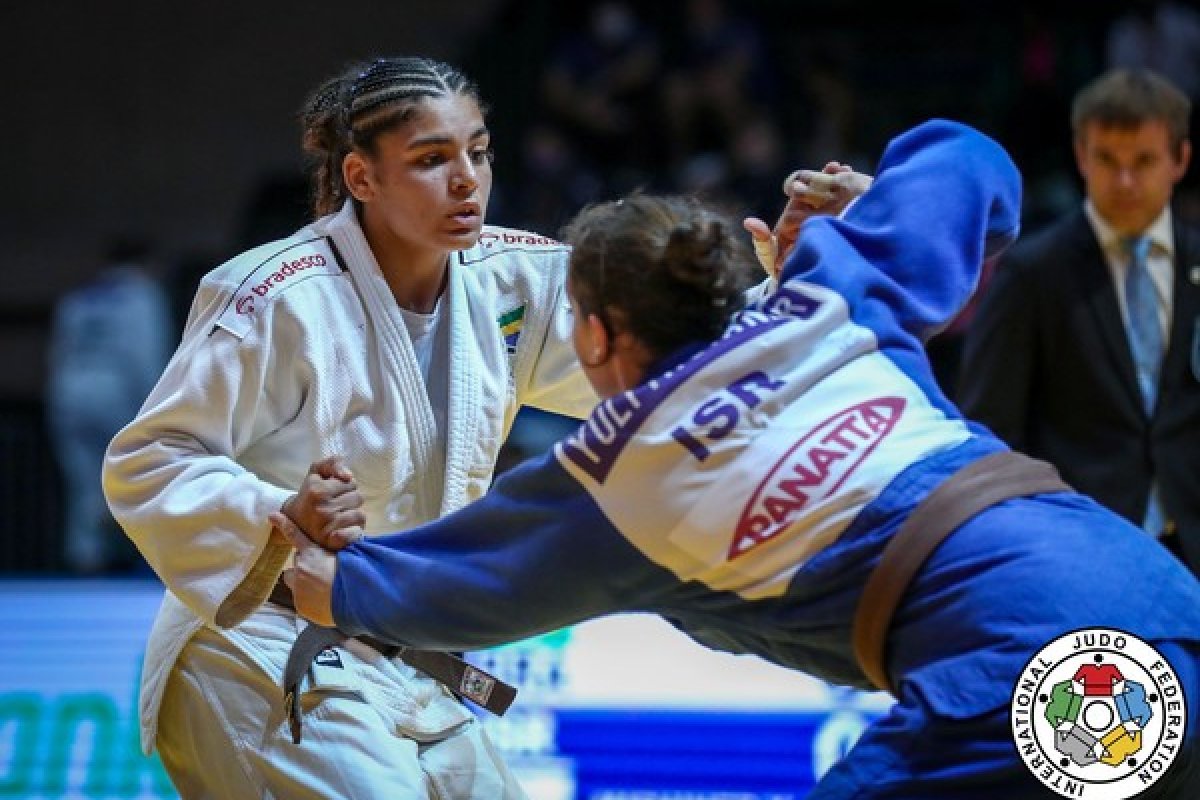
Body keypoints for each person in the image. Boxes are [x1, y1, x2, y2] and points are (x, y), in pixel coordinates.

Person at [273, 120, 1200, 797]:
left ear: (593, 336)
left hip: (1033, 683)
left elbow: (366, 589)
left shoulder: (610, 483)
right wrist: (866, 209)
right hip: (1159, 598)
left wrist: (310, 550)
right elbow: (968, 156)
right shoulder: (832, 295)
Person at [102, 56, 604, 798]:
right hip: (257, 645)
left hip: (404, 656)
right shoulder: (276, 294)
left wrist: (795, 274)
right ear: (361, 178)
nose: (467, 178)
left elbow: (658, 347)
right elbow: (150, 459)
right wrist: (281, 517)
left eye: (478, 150)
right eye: (432, 159)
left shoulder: (514, 282)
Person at [958, 68, 1200, 577]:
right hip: (1078, 553)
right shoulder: (1032, 273)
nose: (1126, 181)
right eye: (1108, 160)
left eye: (1144, 161)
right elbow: (990, 429)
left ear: (1180, 159)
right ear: (1081, 156)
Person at [47, 236, 173, 574]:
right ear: (148, 263)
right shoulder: (141, 294)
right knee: (135, 475)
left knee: (84, 482)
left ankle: (85, 561)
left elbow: (59, 351)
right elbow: (144, 354)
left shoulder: (79, 297)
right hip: (117, 391)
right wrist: (155, 408)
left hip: (69, 390)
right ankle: (141, 562)